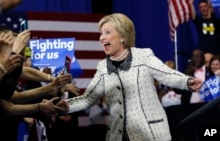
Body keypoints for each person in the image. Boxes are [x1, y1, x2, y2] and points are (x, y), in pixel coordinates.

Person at [56, 13, 203, 141]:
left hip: (150, 133)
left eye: (107, 32)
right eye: (101, 33)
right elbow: (88, 98)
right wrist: (67, 106)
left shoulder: (143, 56)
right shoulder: (102, 67)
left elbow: (167, 74)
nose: (102, 38)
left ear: (122, 37)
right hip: (118, 136)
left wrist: (187, 81)